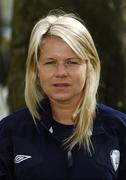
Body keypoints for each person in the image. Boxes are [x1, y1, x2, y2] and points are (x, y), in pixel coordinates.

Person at [0, 9, 126, 180]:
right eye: (50, 62)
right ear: (36, 70)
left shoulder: (119, 130)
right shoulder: (9, 133)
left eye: (72, 62)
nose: (61, 72)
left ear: (90, 67)